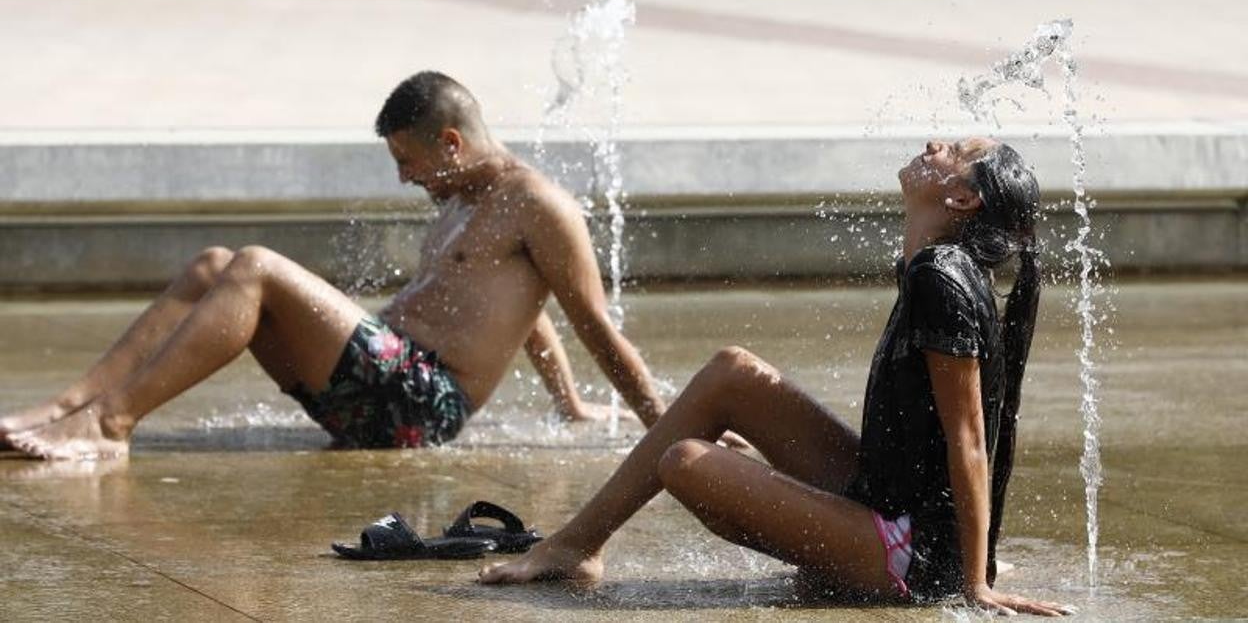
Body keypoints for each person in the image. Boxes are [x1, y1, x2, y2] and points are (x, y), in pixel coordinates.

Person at [480, 138, 1073, 616]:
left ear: (963, 200)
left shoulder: (941, 278)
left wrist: (975, 582)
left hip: (914, 554)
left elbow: (970, 438)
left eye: (955, 152)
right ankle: (577, 544)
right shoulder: (930, 267)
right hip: (888, 499)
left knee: (686, 462)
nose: (933, 143)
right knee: (732, 372)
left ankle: (860, 561)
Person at [1, 71, 667, 460]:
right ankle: (69, 407)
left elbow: (594, 325)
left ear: (453, 142)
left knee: (255, 266)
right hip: (379, 383)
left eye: (408, 160)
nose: (404, 177)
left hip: (418, 405)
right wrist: (570, 404)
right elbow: (525, 317)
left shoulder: (539, 205)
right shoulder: (463, 197)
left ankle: (109, 425)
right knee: (213, 266)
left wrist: (666, 434)